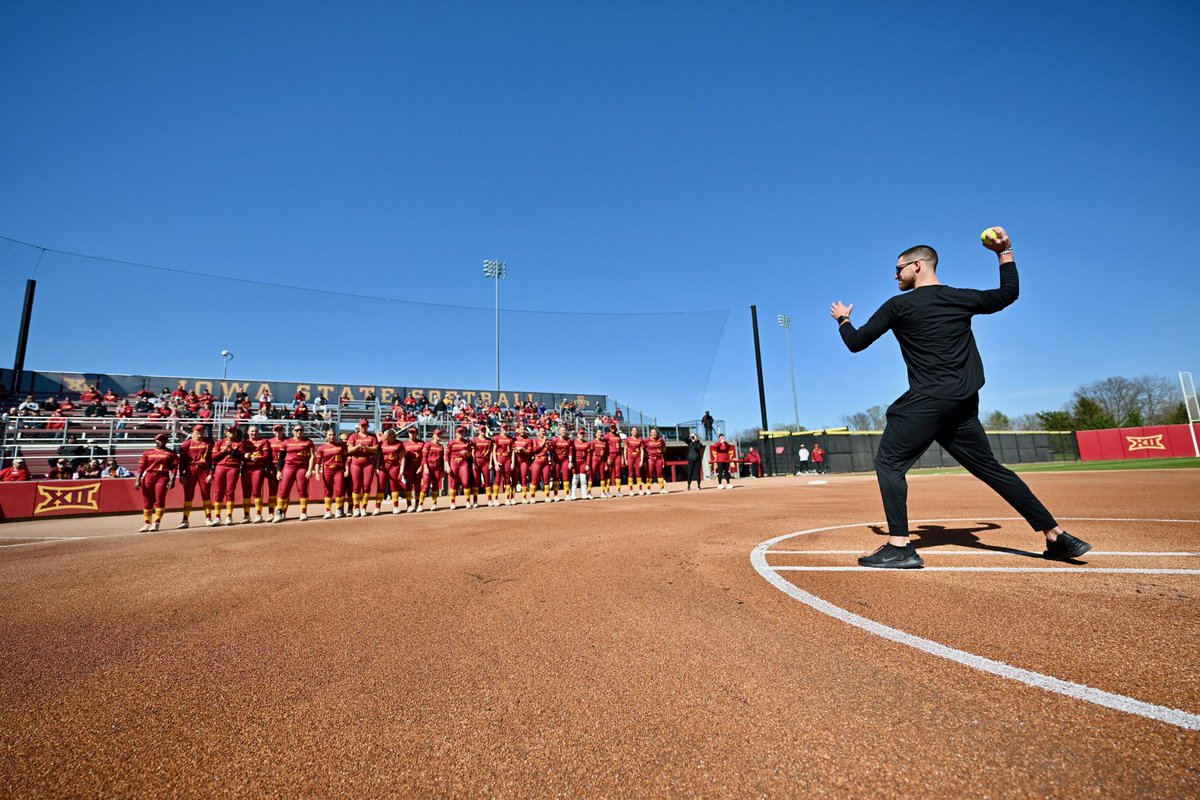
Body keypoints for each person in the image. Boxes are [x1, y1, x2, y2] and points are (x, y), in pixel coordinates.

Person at [830, 226, 1090, 569]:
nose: (895, 276)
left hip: (928, 399)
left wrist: (844, 319)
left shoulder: (898, 305)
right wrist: (1005, 252)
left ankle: (900, 546)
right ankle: (1057, 536)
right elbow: (1008, 293)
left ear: (918, 265)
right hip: (963, 402)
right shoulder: (959, 297)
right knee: (990, 468)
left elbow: (856, 342)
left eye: (899, 269)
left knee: (889, 463)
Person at [273, 423, 315, 522]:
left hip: (302, 467)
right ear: (292, 431)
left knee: (302, 490)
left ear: (303, 431)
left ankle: (303, 512)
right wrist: (279, 471)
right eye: (296, 430)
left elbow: (312, 456)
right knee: (284, 491)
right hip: (289, 467)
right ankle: (279, 512)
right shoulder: (286, 442)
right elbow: (281, 457)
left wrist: (310, 470)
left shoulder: (308, 441)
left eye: (300, 430)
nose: (298, 432)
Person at [135, 433, 177, 532]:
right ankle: (147, 523)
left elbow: (174, 468)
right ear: (155, 440)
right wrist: (138, 480)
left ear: (166, 441)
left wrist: (172, 480)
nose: (161, 441)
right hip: (149, 476)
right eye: (159, 440)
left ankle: (156, 522)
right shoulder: (148, 452)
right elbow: (141, 467)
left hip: (162, 476)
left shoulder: (171, 453)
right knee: (147, 500)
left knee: (159, 499)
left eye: (163, 440)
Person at [177, 425, 215, 529]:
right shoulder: (186, 444)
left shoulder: (209, 443)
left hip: (204, 470)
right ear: (193, 432)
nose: (200, 432)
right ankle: (185, 520)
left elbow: (213, 460)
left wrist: (211, 474)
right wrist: (181, 475)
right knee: (188, 496)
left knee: (206, 494)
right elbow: (182, 461)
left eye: (202, 430)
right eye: (198, 431)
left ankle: (208, 518)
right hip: (190, 471)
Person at [210, 427, 245, 526]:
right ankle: (217, 516)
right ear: (226, 433)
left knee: (230, 491)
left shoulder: (239, 443)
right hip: (220, 467)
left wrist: (233, 451)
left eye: (234, 432)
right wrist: (224, 450)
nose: (232, 434)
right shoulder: (219, 443)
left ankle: (229, 516)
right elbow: (213, 457)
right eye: (230, 432)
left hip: (233, 467)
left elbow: (241, 457)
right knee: (218, 492)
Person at [240, 425, 273, 522]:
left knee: (256, 492)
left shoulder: (264, 442)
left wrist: (258, 458)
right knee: (246, 493)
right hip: (246, 469)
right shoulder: (244, 443)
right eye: (252, 431)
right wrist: (244, 456)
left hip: (258, 469)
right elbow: (239, 456)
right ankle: (246, 515)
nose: (254, 433)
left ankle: (258, 515)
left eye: (256, 431)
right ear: (248, 432)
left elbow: (267, 455)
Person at [347, 419, 379, 517]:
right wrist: (357, 447)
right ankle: (356, 508)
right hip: (356, 462)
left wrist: (366, 448)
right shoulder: (353, 436)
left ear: (368, 426)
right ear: (359, 426)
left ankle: (363, 508)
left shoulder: (372, 436)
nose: (363, 427)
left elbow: (375, 449)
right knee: (356, 485)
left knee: (366, 486)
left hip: (368, 462)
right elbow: (349, 450)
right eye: (362, 425)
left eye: (365, 425)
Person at [316, 429, 349, 519]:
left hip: (339, 471)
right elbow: (318, 462)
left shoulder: (341, 446)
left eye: (333, 435)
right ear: (326, 436)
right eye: (330, 435)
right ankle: (328, 511)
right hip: (327, 470)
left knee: (339, 490)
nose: (332, 436)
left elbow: (346, 459)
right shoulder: (321, 448)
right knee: (328, 491)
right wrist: (317, 473)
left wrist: (347, 469)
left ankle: (338, 509)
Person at [376, 427, 405, 514]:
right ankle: (377, 507)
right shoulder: (381, 443)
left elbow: (402, 457)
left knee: (394, 486)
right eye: (383, 436)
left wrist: (402, 469)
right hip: (383, 467)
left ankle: (395, 507)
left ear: (392, 436)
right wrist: (377, 467)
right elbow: (378, 456)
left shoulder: (399, 444)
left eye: (386, 436)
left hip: (394, 466)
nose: (384, 437)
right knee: (381, 486)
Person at [416, 428, 446, 512]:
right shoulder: (428, 444)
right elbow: (424, 457)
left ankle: (434, 504)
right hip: (429, 465)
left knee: (436, 486)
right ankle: (420, 504)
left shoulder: (441, 446)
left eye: (440, 435)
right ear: (433, 436)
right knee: (425, 486)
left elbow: (441, 459)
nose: (438, 436)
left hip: (437, 467)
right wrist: (425, 467)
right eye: (437, 435)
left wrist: (443, 470)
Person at [446, 427, 473, 510]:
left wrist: (466, 453)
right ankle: (452, 502)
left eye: (462, 432)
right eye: (459, 432)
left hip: (463, 463)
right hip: (453, 462)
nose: (461, 434)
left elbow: (470, 455)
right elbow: (447, 455)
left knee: (465, 482)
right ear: (456, 433)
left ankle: (468, 501)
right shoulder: (451, 443)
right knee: (453, 483)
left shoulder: (467, 443)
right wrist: (447, 465)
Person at [401, 427, 425, 513]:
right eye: (410, 432)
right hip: (409, 468)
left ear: (417, 433)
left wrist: (421, 467)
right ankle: (409, 505)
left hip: (418, 467)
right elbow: (402, 457)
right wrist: (403, 469)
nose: (412, 434)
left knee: (418, 486)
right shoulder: (404, 444)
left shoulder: (422, 443)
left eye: (414, 432)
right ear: (408, 434)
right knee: (408, 486)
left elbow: (424, 457)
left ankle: (418, 504)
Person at [469, 426, 494, 508]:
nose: (483, 431)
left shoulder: (489, 440)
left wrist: (490, 463)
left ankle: (490, 500)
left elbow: (490, 452)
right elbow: (472, 452)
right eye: (481, 430)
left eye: (484, 430)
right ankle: (475, 501)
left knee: (487, 481)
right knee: (476, 482)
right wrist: (474, 463)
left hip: (485, 462)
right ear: (478, 431)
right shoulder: (474, 440)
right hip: (477, 461)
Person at [492, 423, 515, 506]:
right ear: (501, 428)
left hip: (507, 459)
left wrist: (512, 462)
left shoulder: (510, 439)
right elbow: (494, 451)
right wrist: (495, 462)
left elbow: (512, 451)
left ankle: (507, 499)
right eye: (503, 428)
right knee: (497, 479)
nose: (505, 429)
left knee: (508, 479)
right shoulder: (496, 438)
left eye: (506, 428)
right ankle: (496, 499)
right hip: (500, 458)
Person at [512, 425, 534, 504]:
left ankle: (524, 498)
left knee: (524, 479)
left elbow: (529, 453)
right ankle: (512, 497)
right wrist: (514, 450)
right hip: (516, 461)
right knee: (514, 479)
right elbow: (512, 449)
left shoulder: (528, 440)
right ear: (518, 430)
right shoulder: (514, 438)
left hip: (524, 461)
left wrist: (522, 449)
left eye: (524, 429)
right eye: (521, 429)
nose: (522, 431)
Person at [644, 427, 668, 494]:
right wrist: (645, 455)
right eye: (652, 432)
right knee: (650, 474)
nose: (654, 433)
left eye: (655, 432)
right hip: (650, 458)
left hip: (659, 458)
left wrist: (662, 452)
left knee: (660, 473)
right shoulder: (647, 440)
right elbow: (642, 448)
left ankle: (662, 489)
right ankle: (648, 489)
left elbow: (664, 447)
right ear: (650, 434)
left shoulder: (660, 439)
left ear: (657, 433)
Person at [570, 429, 591, 500]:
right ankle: (573, 495)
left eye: (583, 434)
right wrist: (571, 462)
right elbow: (571, 452)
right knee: (575, 479)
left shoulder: (587, 443)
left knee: (583, 479)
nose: (581, 435)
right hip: (576, 462)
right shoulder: (574, 443)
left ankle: (584, 494)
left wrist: (588, 464)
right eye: (580, 434)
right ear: (577, 435)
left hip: (583, 462)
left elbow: (588, 455)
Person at [624, 426, 645, 496]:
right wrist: (625, 459)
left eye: (636, 430)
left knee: (638, 473)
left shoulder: (640, 440)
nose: (634, 431)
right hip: (630, 457)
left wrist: (641, 460)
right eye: (633, 430)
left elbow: (642, 450)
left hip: (637, 457)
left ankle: (640, 489)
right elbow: (625, 449)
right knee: (630, 474)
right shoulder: (628, 439)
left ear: (637, 431)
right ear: (631, 432)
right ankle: (631, 490)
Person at [604, 425, 624, 497]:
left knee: (618, 473)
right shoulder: (606, 436)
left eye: (614, 427)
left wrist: (622, 457)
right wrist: (607, 458)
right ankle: (608, 491)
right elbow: (605, 448)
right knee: (608, 473)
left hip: (618, 455)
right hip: (610, 455)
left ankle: (619, 491)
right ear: (610, 428)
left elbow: (621, 447)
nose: (613, 429)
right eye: (611, 427)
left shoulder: (618, 436)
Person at [589, 428, 608, 499]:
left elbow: (605, 454)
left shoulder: (604, 443)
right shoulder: (593, 442)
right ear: (595, 434)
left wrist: (606, 463)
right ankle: (589, 492)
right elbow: (590, 453)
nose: (600, 434)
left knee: (602, 476)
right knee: (592, 475)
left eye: (600, 432)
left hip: (602, 460)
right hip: (594, 459)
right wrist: (589, 463)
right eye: (598, 432)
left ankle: (603, 492)